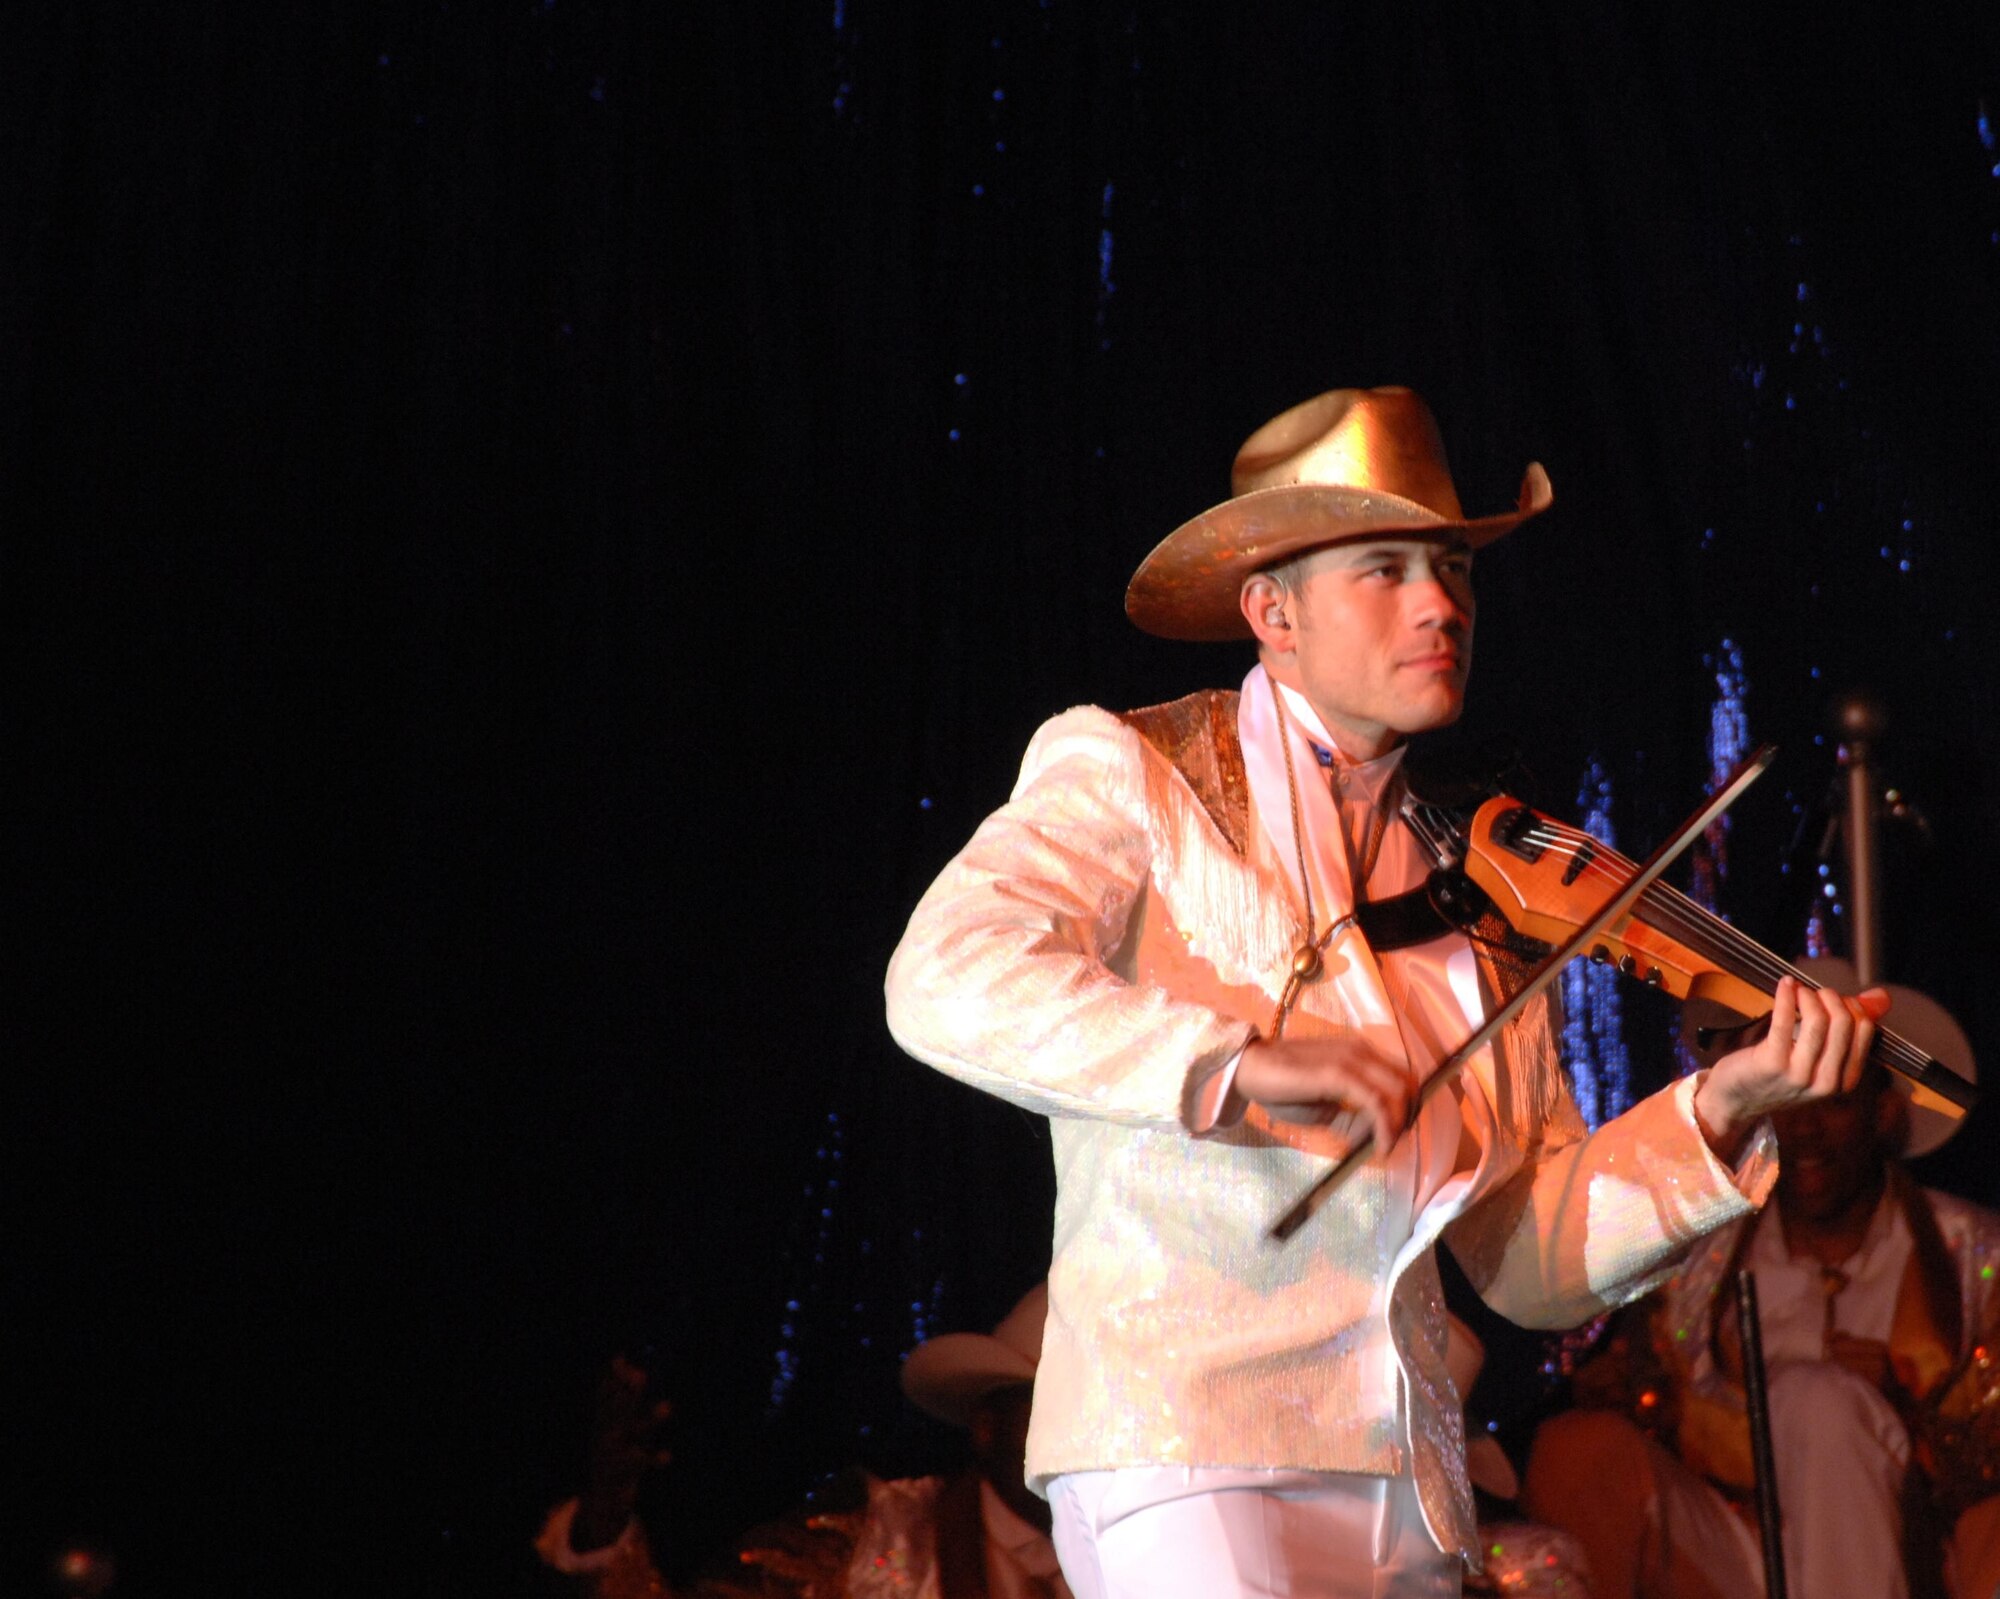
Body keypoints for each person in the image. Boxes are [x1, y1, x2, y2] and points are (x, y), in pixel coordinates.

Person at [883, 386, 1886, 1598]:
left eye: (1451, 568)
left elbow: (1526, 1258)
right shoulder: (1135, 770)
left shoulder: (1484, 886)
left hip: (1409, 1476)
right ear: (1271, 611)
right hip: (1184, 1451)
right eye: (1383, 568)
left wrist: (1722, 1110)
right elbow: (943, 974)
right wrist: (1234, 1063)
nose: (1438, 604)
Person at [1522, 1053, 2000, 1599]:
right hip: (1740, 1544)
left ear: (1884, 1113)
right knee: (1576, 1449)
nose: (1804, 1128)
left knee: (1824, 1406)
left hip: (1917, 1547)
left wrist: (1900, 1413)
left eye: (1833, 1103)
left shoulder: (1973, 1252)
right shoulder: (1705, 1257)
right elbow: (1636, 1396)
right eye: (1785, 1101)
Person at [535, 1284, 1071, 1599]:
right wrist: (602, 1525)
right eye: (1055, 1410)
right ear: (986, 1425)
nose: (1085, 1444)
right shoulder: (867, 1536)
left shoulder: (1142, 1549)